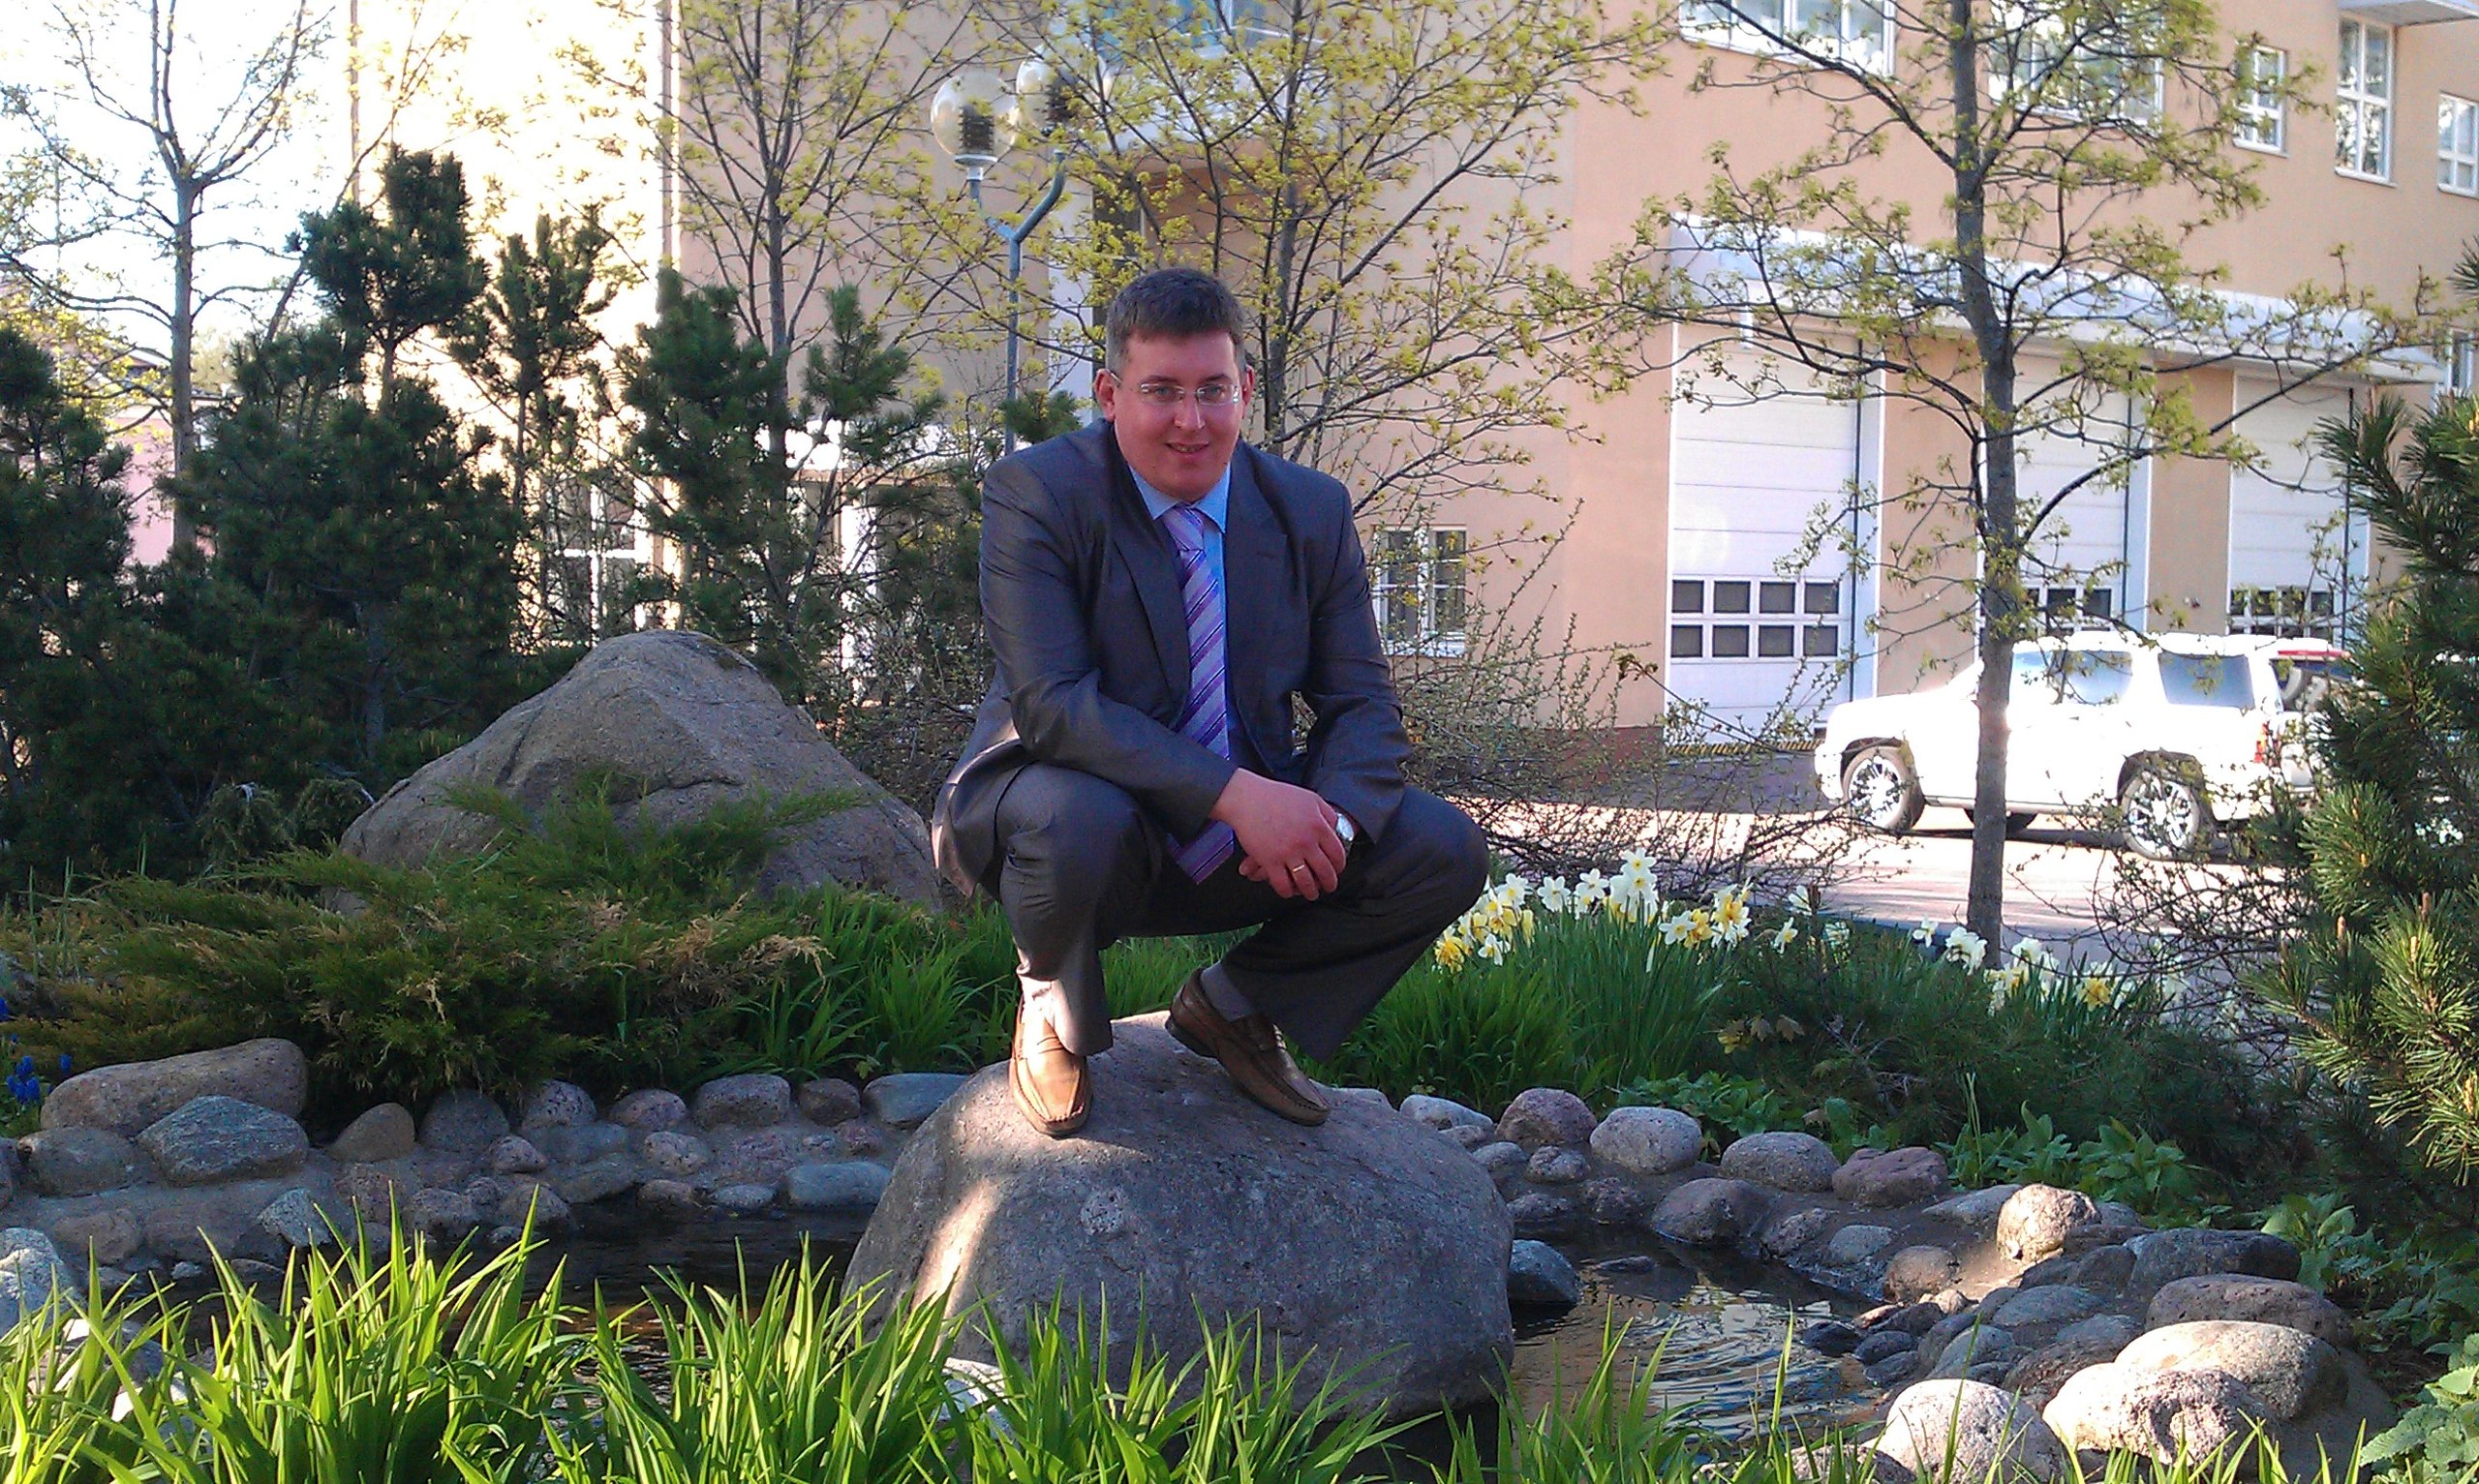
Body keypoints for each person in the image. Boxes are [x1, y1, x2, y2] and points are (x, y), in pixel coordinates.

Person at [930, 266, 1488, 1136]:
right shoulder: (1039, 493)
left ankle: (1233, 1006)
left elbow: (1363, 704)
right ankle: (1052, 1006)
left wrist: (1330, 825)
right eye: (1161, 390)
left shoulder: (1309, 509)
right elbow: (1052, 705)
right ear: (1110, 394)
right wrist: (1237, 797)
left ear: (1245, 392)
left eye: (1211, 390)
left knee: (1439, 848)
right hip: (1076, 824)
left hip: (1242, 847)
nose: (1190, 420)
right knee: (1074, 816)